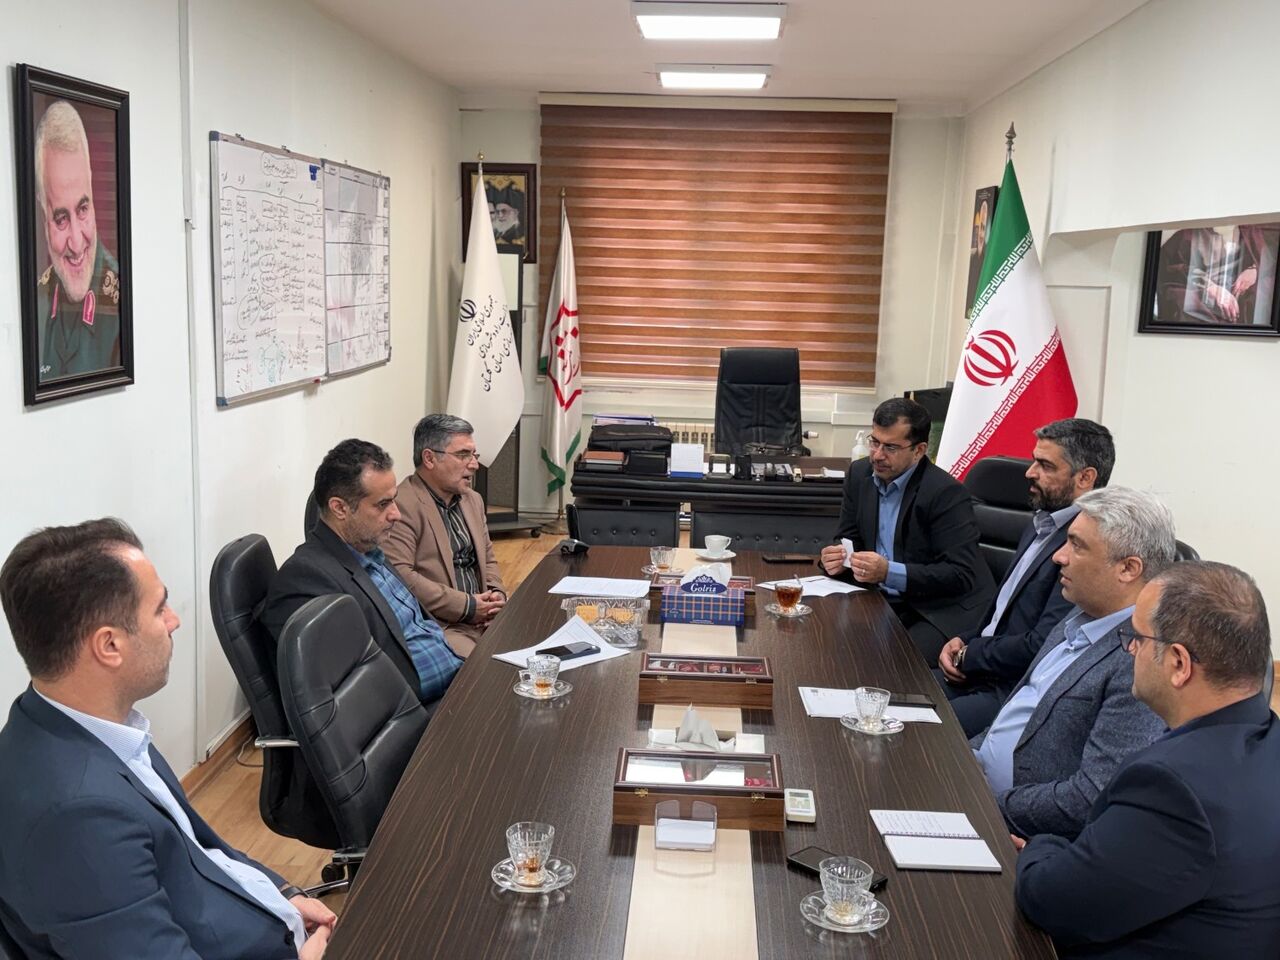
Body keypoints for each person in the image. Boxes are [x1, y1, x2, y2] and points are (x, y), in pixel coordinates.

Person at [0, 519, 334, 959]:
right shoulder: (75, 819)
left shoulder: (93, 726)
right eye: (159, 609)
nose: (174, 621)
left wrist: (281, 892)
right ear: (109, 646)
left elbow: (200, 849)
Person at [1016, 562, 1280, 957]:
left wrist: (1039, 846)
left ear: (1178, 664)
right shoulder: (1266, 737)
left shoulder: (1173, 788)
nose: (1130, 649)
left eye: (1136, 637)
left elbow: (1053, 902)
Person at [971, 487, 1172, 840]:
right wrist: (965, 757)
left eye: (1077, 545)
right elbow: (1019, 710)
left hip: (1015, 831)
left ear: (1128, 568)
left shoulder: (1140, 659)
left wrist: (987, 805)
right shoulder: (1080, 613)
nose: (1058, 556)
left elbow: (1090, 797)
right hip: (977, 784)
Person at [938, 418, 1115, 737]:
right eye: (1034, 461)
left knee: (917, 734)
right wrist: (964, 639)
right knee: (890, 693)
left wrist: (971, 654)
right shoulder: (1041, 523)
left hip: (1013, 690)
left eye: (1045, 465)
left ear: (1085, 478)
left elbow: (1043, 644)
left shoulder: (1086, 549)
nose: (1030, 472)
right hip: (978, 669)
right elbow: (1003, 609)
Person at [261, 439, 461, 713]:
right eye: (383, 504)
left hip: (455, 676)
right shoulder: (306, 580)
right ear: (340, 508)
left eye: (394, 500)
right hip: (421, 713)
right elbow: (359, 693)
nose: (396, 514)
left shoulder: (369, 547)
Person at [819, 398, 995, 661]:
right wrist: (837, 558)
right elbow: (848, 536)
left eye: (890, 447)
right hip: (880, 597)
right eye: (874, 442)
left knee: (896, 662)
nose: (877, 455)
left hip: (938, 607)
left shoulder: (945, 493)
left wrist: (888, 572)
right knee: (824, 637)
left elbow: (959, 574)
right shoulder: (859, 474)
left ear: (919, 450)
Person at [383, 414, 506, 658]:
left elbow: (488, 558)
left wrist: (496, 596)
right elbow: (400, 576)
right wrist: (467, 606)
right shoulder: (401, 504)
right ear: (429, 458)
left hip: (484, 619)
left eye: (474, 455)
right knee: (488, 670)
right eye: (463, 455)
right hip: (440, 626)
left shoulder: (473, 500)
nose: (474, 465)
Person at [34, 100, 122, 381]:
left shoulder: (120, 302)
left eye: (83, 209)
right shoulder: (38, 298)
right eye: (61, 218)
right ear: (43, 216)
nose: (76, 242)